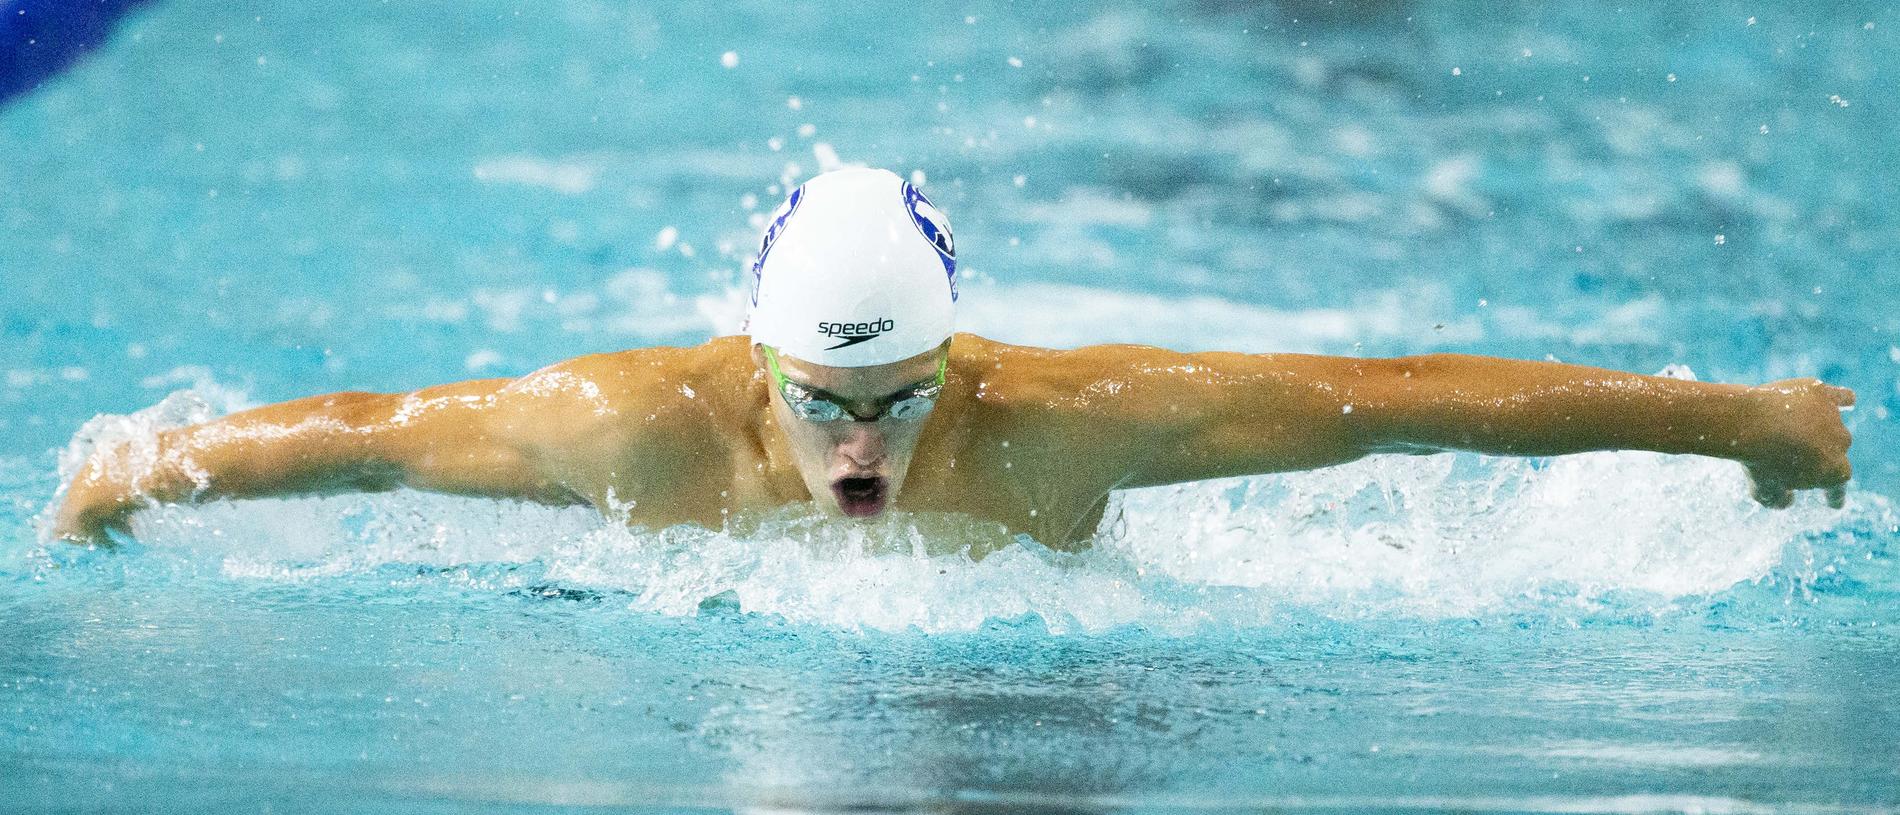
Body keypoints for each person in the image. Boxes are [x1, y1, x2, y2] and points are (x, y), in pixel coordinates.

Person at [52, 168, 1856, 549]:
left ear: (961, 363)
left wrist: (1745, 424)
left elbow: (1399, 400)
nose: (868, 442)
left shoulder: (1062, 425)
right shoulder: (628, 429)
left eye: (906, 395)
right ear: (758, 374)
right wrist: (127, 473)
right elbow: (370, 434)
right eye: (830, 404)